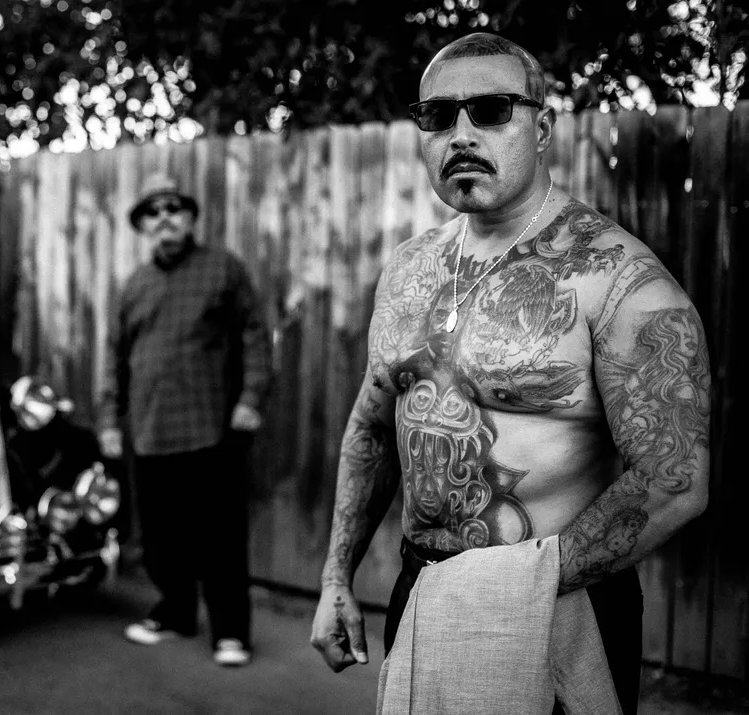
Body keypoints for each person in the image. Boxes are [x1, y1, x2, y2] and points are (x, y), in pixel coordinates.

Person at [309, 32, 710, 715]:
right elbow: (373, 423)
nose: (462, 133)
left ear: (543, 126)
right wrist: (335, 576)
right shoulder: (410, 269)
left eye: (492, 110)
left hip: (554, 606)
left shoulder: (619, 280)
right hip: (422, 589)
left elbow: (675, 482)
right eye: (438, 116)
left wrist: (517, 586)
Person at [97, 173, 272, 667]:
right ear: (143, 227)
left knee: (219, 540)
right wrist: (110, 418)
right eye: (153, 211)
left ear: (191, 218)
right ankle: (175, 614)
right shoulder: (135, 285)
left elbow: (256, 336)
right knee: (160, 541)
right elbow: (115, 357)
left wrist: (251, 398)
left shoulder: (222, 269)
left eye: (174, 207)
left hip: (211, 429)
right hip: (150, 434)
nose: (164, 218)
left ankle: (230, 633)